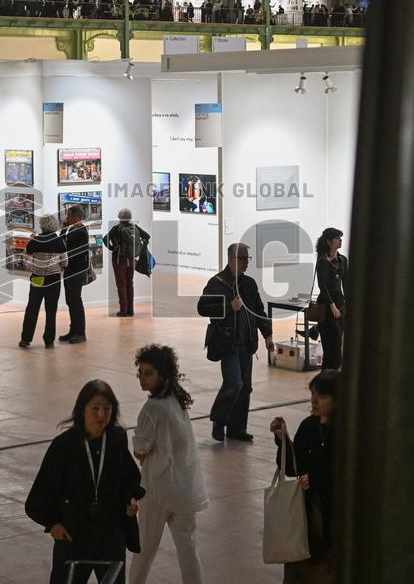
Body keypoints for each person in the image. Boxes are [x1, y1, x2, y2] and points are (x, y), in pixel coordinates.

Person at [26, 380, 143, 584]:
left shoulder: (116, 438)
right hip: (73, 536)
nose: (101, 415)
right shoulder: (64, 445)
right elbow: (40, 494)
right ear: (82, 410)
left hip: (110, 535)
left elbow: (129, 478)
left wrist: (129, 501)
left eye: (107, 409)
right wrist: (52, 524)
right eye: (95, 408)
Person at [129, 345, 207, 584]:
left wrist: (145, 454)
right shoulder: (177, 400)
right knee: (189, 551)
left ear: (162, 374)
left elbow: (140, 450)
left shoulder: (152, 409)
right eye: (140, 373)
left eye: (148, 373)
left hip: (158, 490)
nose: (143, 378)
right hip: (186, 488)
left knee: (144, 549)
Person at [197, 243, 274, 442]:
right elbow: (203, 308)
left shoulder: (249, 284)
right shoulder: (217, 283)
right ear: (231, 259)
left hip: (246, 343)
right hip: (227, 343)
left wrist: (268, 335)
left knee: (245, 387)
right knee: (234, 383)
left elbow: (259, 310)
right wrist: (228, 306)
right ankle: (218, 420)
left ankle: (237, 428)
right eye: (242, 259)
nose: (246, 263)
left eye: (247, 259)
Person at [269, 370, 339, 584]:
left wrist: (317, 479)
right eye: (312, 394)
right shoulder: (309, 426)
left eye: (322, 396)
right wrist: (282, 439)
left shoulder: (346, 431)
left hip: (330, 517)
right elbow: (292, 467)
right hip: (305, 515)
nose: (314, 401)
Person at [19, 214, 67, 349]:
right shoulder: (59, 241)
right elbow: (65, 261)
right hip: (54, 279)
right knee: (51, 311)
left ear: (42, 225)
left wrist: (35, 268)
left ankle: (25, 339)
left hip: (37, 278)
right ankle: (49, 341)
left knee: (32, 309)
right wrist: (57, 268)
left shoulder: (35, 241)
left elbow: (25, 261)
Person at [104, 209, 149, 317]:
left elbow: (105, 239)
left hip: (120, 260)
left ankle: (123, 311)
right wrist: (141, 248)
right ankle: (130, 310)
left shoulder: (116, 229)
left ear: (120, 217)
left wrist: (112, 248)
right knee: (130, 284)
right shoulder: (135, 227)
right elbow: (147, 236)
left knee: (121, 285)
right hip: (132, 259)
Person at [315, 228, 348, 370]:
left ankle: (334, 376)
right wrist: (332, 306)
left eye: (340, 238)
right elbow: (322, 286)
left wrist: (347, 303)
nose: (340, 240)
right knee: (331, 345)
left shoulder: (343, 260)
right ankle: (326, 376)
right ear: (329, 242)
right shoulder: (322, 261)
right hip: (326, 305)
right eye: (337, 238)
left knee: (338, 344)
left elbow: (346, 282)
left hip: (340, 303)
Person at [59, 205, 89, 344]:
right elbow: (60, 243)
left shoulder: (81, 232)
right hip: (70, 270)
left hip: (76, 271)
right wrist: (64, 229)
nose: (67, 218)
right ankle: (73, 330)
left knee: (76, 301)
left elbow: (75, 252)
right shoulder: (73, 230)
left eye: (69, 215)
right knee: (70, 301)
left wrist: (65, 258)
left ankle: (80, 333)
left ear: (76, 216)